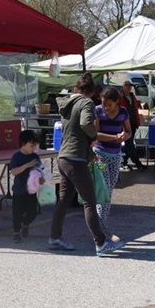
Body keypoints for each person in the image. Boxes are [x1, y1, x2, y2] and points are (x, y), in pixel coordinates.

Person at [50, 72, 124, 256]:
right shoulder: (86, 103)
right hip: (75, 159)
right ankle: (101, 242)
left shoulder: (67, 103)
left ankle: (54, 238)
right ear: (90, 92)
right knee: (90, 202)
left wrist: (89, 151)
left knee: (64, 200)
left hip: (63, 157)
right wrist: (92, 138)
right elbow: (85, 125)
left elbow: (74, 129)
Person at [93, 86, 131, 239]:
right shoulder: (97, 111)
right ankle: (100, 227)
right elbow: (95, 135)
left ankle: (101, 224)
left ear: (116, 102)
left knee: (110, 190)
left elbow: (129, 131)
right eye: (103, 104)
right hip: (100, 153)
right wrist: (115, 137)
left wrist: (125, 135)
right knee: (105, 190)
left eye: (109, 104)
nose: (106, 107)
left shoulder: (123, 112)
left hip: (116, 155)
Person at [9, 130, 43, 243]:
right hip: (19, 190)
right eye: (31, 145)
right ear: (23, 143)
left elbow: (40, 171)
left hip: (31, 191)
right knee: (17, 213)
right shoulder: (17, 157)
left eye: (35, 145)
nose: (33, 148)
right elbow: (14, 171)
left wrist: (41, 179)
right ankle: (16, 232)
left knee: (33, 212)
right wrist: (27, 165)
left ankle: (26, 223)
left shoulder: (35, 156)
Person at [118, 81, 146, 171]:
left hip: (133, 123)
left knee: (128, 144)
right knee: (129, 144)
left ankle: (123, 161)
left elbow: (135, 109)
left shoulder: (132, 96)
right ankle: (137, 163)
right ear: (123, 86)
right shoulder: (119, 97)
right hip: (124, 124)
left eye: (130, 86)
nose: (129, 88)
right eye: (128, 86)